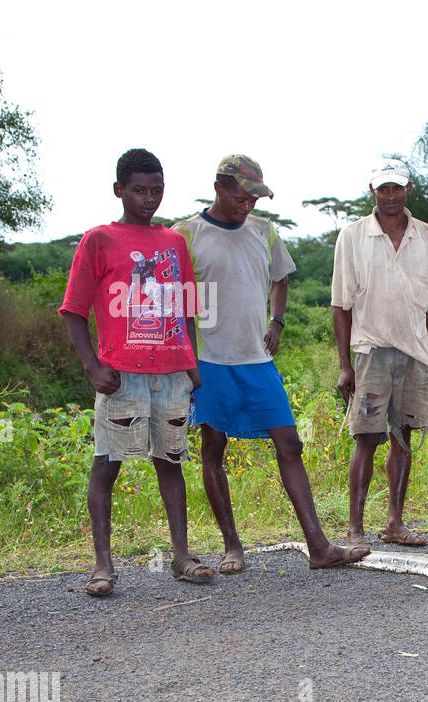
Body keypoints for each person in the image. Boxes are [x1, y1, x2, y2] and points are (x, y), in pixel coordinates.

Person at [175, 155, 370, 573]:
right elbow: (178, 304)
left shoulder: (264, 232)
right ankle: (232, 546)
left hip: (256, 360)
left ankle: (319, 547)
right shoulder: (187, 235)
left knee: (290, 443)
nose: (249, 204)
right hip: (210, 360)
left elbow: (280, 277)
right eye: (242, 196)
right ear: (219, 187)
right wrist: (187, 362)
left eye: (255, 197)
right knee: (213, 448)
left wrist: (276, 320)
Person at [59, 148, 215, 596]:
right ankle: (103, 566)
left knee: (170, 462)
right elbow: (73, 310)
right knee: (107, 464)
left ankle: (182, 557)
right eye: (139, 190)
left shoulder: (173, 242)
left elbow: (186, 307)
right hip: (120, 374)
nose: (149, 199)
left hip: (171, 372)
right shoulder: (99, 240)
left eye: (157, 190)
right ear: (119, 190)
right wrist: (93, 367)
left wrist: (192, 363)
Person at [331, 160, 428, 548]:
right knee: (365, 438)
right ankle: (356, 529)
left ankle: (395, 523)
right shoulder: (352, 237)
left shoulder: (427, 237)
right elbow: (340, 304)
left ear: (408, 189)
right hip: (370, 352)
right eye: (384, 189)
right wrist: (345, 365)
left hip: (415, 354)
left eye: (397, 189)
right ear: (373, 191)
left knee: (404, 438)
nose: (391, 196)